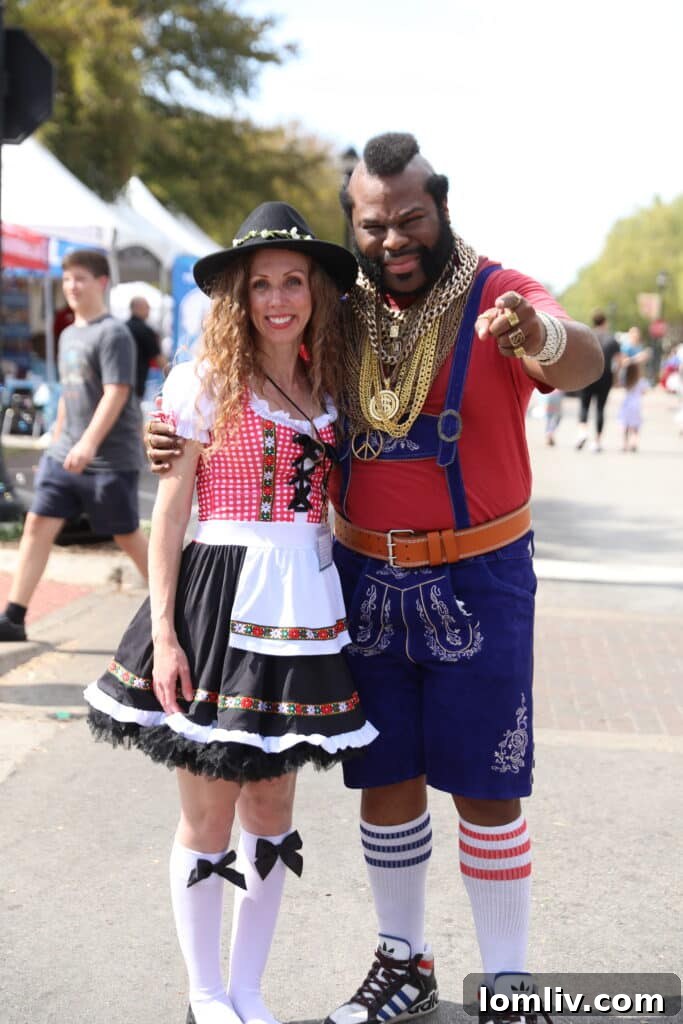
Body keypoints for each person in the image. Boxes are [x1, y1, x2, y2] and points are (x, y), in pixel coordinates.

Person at [147, 134, 603, 1022]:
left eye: (410, 220)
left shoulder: (498, 292)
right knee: (384, 779)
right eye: (372, 223)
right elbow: (240, 383)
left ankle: (507, 982)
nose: (393, 239)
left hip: (478, 575)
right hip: (356, 577)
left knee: (488, 784)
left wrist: (540, 335)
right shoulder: (340, 309)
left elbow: (578, 356)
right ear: (350, 225)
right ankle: (404, 964)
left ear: (441, 208)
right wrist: (168, 436)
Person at [84, 203, 377, 1024]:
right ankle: (204, 994)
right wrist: (166, 632)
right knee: (207, 811)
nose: (277, 299)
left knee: (274, 809)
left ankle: (250, 989)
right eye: (260, 285)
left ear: (315, 290)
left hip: (305, 599)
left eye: (292, 281)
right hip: (219, 595)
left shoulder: (329, 383)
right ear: (238, 297)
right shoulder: (202, 379)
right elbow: (170, 513)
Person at [0, 250, 149, 643]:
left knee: (127, 534)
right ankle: (14, 617)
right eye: (67, 280)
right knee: (36, 524)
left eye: (80, 279)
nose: (71, 286)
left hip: (108, 459)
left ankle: (177, 605)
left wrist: (88, 443)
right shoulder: (68, 333)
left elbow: (116, 393)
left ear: (101, 283)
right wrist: (56, 437)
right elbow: (70, 393)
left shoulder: (113, 333)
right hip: (64, 453)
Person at [575, 309, 622, 451]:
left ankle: (582, 432)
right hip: (605, 376)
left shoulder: (585, 336)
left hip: (586, 376)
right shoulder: (612, 339)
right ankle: (597, 441)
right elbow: (619, 361)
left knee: (584, 406)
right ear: (605, 322)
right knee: (600, 408)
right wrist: (616, 378)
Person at [126, 295, 166, 398]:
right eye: (147, 307)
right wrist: (171, 374)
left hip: (120, 381)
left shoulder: (122, 328)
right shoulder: (145, 331)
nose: (149, 311)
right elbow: (158, 358)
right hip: (136, 383)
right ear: (140, 308)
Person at [619, 360, 648, 451]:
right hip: (636, 405)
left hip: (626, 404)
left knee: (625, 425)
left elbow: (620, 384)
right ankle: (634, 442)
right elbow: (644, 391)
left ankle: (624, 444)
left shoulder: (627, 380)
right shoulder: (641, 380)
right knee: (636, 426)